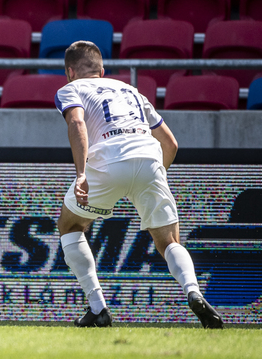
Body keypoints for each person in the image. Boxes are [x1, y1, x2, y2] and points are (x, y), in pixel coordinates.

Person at [54, 41, 223, 329]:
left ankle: (98, 308)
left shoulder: (71, 89)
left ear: (70, 72)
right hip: (149, 158)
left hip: (107, 160)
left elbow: (77, 124)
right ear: (102, 71)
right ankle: (193, 291)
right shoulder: (132, 91)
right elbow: (171, 143)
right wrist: (155, 175)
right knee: (169, 241)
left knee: (70, 226)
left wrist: (81, 173)